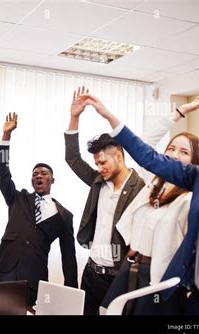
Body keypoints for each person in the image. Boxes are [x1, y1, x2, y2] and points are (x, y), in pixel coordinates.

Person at [84, 94, 199, 315]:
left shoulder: (189, 194)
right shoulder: (194, 179)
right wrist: (109, 117)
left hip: (171, 286)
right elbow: (148, 154)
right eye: (171, 149)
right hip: (189, 299)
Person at [64, 86, 145, 315]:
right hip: (91, 272)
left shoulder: (140, 188)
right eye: (97, 164)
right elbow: (72, 158)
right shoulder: (98, 181)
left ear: (118, 155)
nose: (99, 168)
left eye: (103, 162)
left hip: (117, 277)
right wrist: (74, 117)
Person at [0, 112, 78, 306]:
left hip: (34, 277)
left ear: (52, 180)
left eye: (44, 173)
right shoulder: (18, 198)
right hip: (7, 270)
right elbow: (2, 174)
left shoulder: (64, 216)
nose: (38, 176)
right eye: (35, 174)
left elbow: (69, 257)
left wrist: (72, 298)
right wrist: (6, 136)